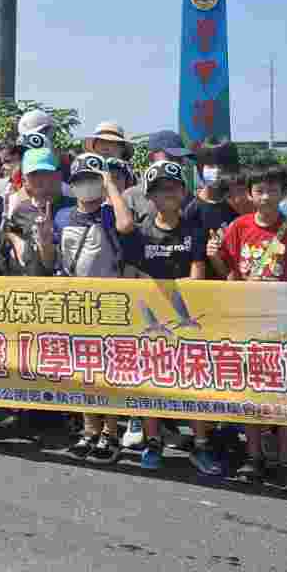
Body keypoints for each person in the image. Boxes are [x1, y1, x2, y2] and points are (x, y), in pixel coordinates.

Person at [212, 166, 287, 488]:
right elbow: (229, 270)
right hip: (248, 322)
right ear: (250, 194)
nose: (266, 196)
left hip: (284, 322)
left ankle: (285, 459)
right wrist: (213, 255)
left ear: (283, 192)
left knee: (285, 395)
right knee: (251, 392)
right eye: (259, 189)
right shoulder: (238, 226)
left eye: (272, 189)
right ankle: (254, 456)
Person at [114, 160, 221, 474]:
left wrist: (177, 298)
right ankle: (153, 442)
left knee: (195, 383)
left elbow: (198, 276)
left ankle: (200, 445)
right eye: (159, 190)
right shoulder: (141, 232)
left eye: (173, 188)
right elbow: (133, 274)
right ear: (150, 196)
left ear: (183, 193)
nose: (167, 195)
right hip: (151, 323)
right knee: (153, 383)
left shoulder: (194, 231)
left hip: (189, 320)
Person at [33, 153, 127, 460]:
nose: (85, 187)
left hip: (109, 304)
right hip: (74, 305)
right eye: (79, 181)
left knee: (107, 372)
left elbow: (126, 225)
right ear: (71, 186)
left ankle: (111, 433)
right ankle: (89, 430)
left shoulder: (111, 214)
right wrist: (45, 241)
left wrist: (110, 184)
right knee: (82, 370)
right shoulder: (60, 216)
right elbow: (50, 262)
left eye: (91, 180)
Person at [0, 147, 73, 273]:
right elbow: (11, 228)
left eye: (47, 172)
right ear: (24, 181)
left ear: (59, 175)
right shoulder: (21, 210)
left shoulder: (75, 207)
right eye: (35, 174)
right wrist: (16, 240)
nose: (43, 179)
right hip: (33, 289)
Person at [122, 129, 194, 225]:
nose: (176, 164)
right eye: (171, 158)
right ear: (151, 157)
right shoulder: (131, 198)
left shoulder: (188, 198)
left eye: (180, 160)